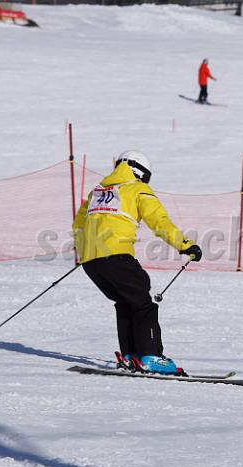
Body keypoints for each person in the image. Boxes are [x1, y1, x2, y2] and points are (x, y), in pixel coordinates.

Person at [73, 150, 202, 375]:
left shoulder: (98, 191)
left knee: (126, 302)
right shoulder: (137, 188)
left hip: (91, 262)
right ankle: (151, 357)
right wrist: (185, 245)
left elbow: (79, 225)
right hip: (116, 255)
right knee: (143, 303)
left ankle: (130, 356)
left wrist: (86, 252)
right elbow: (159, 220)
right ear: (140, 172)